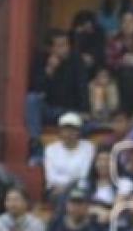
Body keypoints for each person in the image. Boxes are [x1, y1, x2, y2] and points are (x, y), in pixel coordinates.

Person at [24, 31, 90, 164]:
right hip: (49, 109)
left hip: (68, 110)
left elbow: (82, 87)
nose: (64, 49)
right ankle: (36, 146)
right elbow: (36, 89)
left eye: (65, 45)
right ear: (51, 49)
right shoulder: (42, 60)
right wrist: (49, 70)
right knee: (31, 99)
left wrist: (85, 110)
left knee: (83, 123)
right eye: (59, 46)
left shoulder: (76, 60)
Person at [43, 112, 96, 200]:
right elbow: (51, 177)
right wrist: (69, 184)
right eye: (65, 129)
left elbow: (84, 174)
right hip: (56, 190)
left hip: (81, 188)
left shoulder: (88, 148)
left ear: (79, 131)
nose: (69, 133)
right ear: (60, 131)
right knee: (62, 198)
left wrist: (67, 187)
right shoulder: (51, 149)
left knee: (76, 196)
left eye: (73, 129)